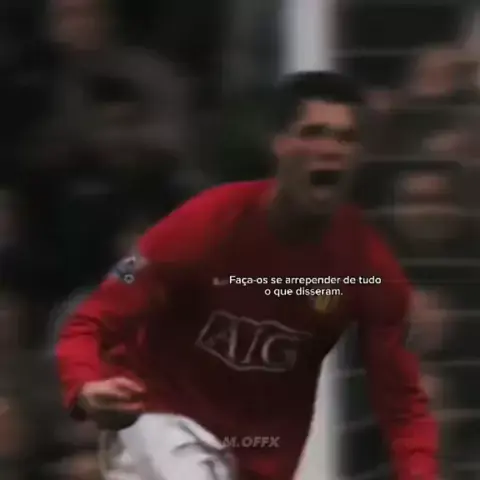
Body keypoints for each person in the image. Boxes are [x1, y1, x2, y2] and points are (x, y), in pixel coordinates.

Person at [55, 71, 438, 480]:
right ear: (277, 143)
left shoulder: (368, 268)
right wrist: (84, 386)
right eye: (313, 133)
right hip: (160, 416)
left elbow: (402, 403)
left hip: (258, 458)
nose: (330, 150)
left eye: (345, 138)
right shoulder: (204, 225)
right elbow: (91, 321)